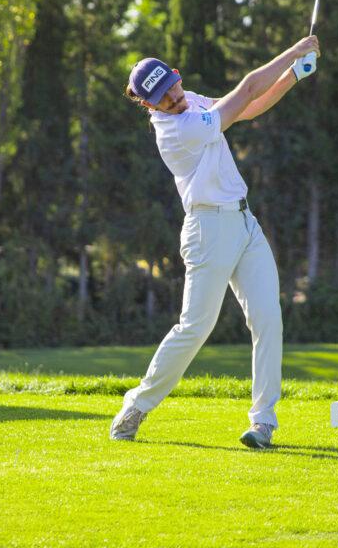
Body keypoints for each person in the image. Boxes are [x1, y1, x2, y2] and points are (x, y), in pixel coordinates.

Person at [110, 35, 321, 449]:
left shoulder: (189, 99)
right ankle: (137, 405)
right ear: (148, 105)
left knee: (268, 320)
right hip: (208, 230)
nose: (173, 99)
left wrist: (293, 75)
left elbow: (247, 107)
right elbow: (244, 89)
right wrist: (293, 52)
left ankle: (263, 422)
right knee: (195, 326)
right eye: (163, 99)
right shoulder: (176, 130)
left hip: (244, 222)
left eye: (172, 89)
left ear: (176, 78)